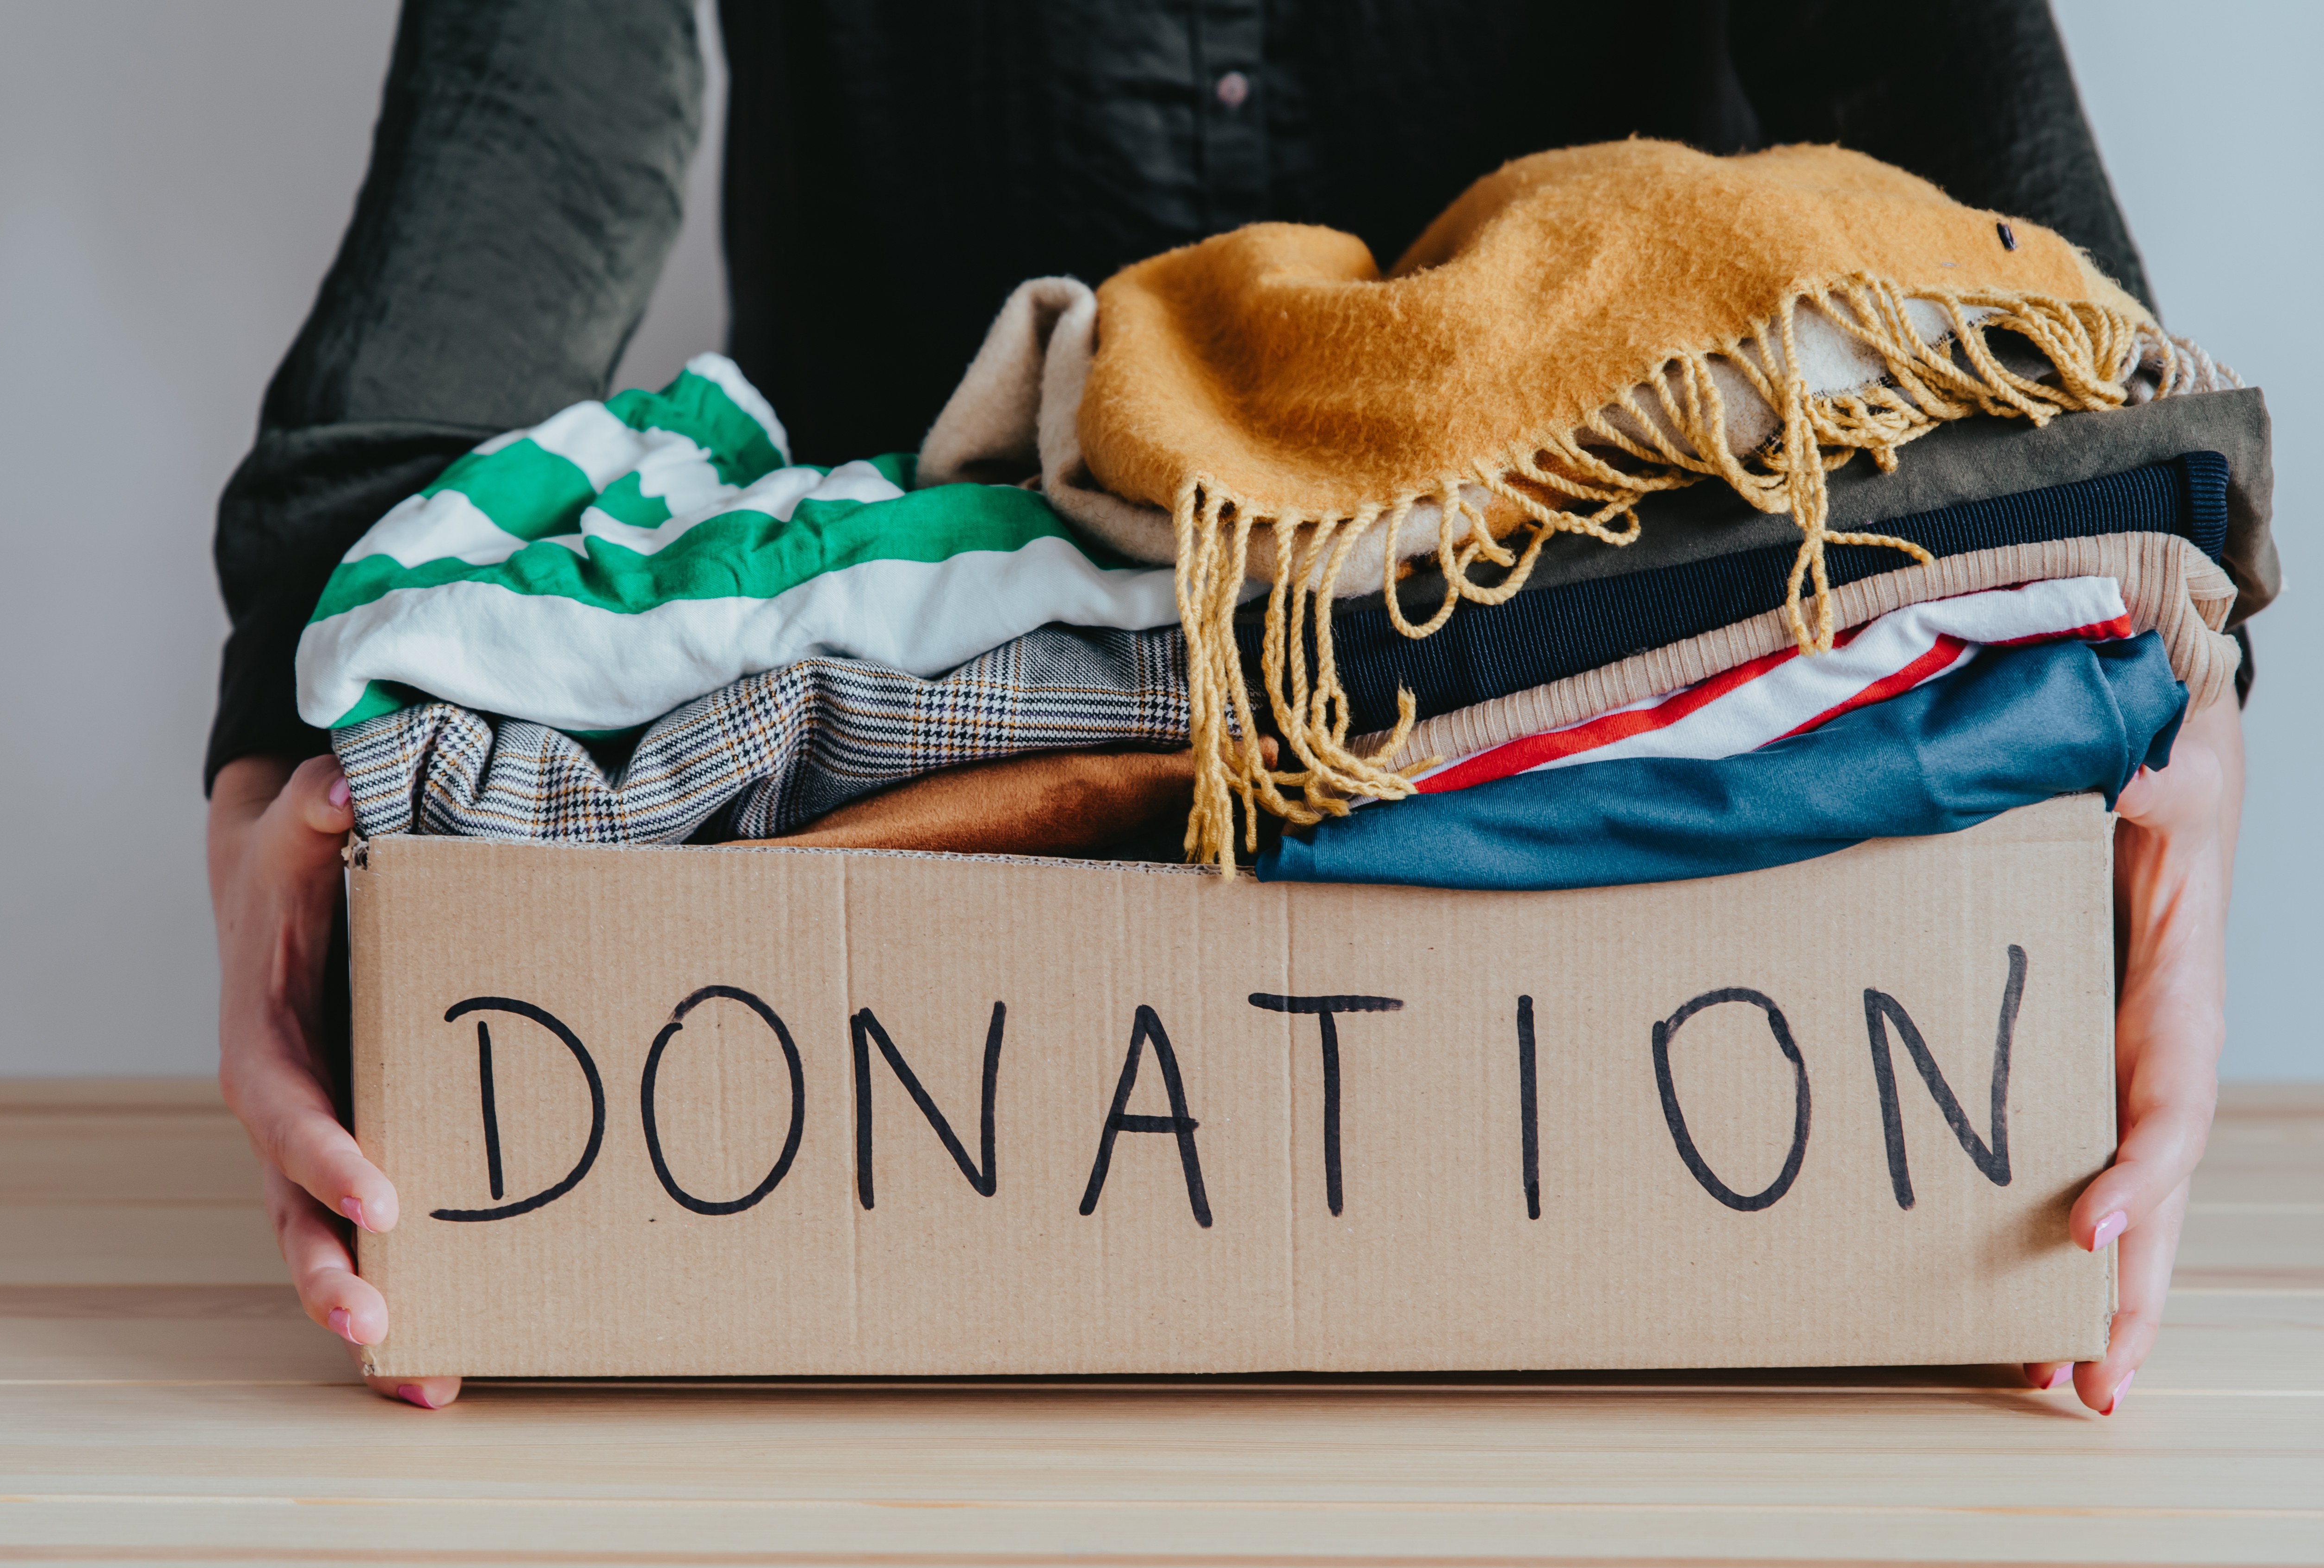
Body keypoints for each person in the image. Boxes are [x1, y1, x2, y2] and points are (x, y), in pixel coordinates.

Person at [208, 0, 2249, 1411]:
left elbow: (1998, 226)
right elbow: (525, 140)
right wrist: (292, 762)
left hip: (1669, 819)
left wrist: (2167, 674)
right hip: (847, 936)